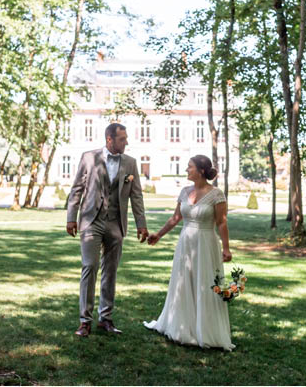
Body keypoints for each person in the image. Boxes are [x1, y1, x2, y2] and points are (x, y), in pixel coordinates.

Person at [143, 155, 235, 351]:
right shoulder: (184, 192)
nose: (186, 170)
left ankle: (206, 330)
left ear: (201, 171)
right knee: (183, 282)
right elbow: (175, 218)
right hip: (185, 243)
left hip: (206, 243)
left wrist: (226, 248)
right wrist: (158, 235)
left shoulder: (216, 194)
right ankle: (182, 326)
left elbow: (222, 222)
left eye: (190, 167)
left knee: (205, 283)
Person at [66, 122, 149, 337]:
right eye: (122, 139)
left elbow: (136, 194)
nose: (126, 142)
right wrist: (71, 218)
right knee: (90, 266)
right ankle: (85, 321)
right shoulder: (88, 157)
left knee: (110, 271)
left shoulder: (130, 163)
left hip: (116, 222)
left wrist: (141, 223)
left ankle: (106, 319)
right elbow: (76, 189)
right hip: (91, 220)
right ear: (109, 139)